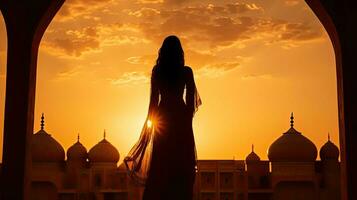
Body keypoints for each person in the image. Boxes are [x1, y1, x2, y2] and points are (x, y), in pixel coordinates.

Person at [124, 35, 202, 200]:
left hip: (163, 119)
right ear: (180, 52)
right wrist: (186, 127)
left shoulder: (158, 72)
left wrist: (150, 127)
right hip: (180, 121)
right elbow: (190, 106)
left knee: (161, 165)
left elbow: (153, 103)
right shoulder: (186, 72)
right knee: (181, 164)